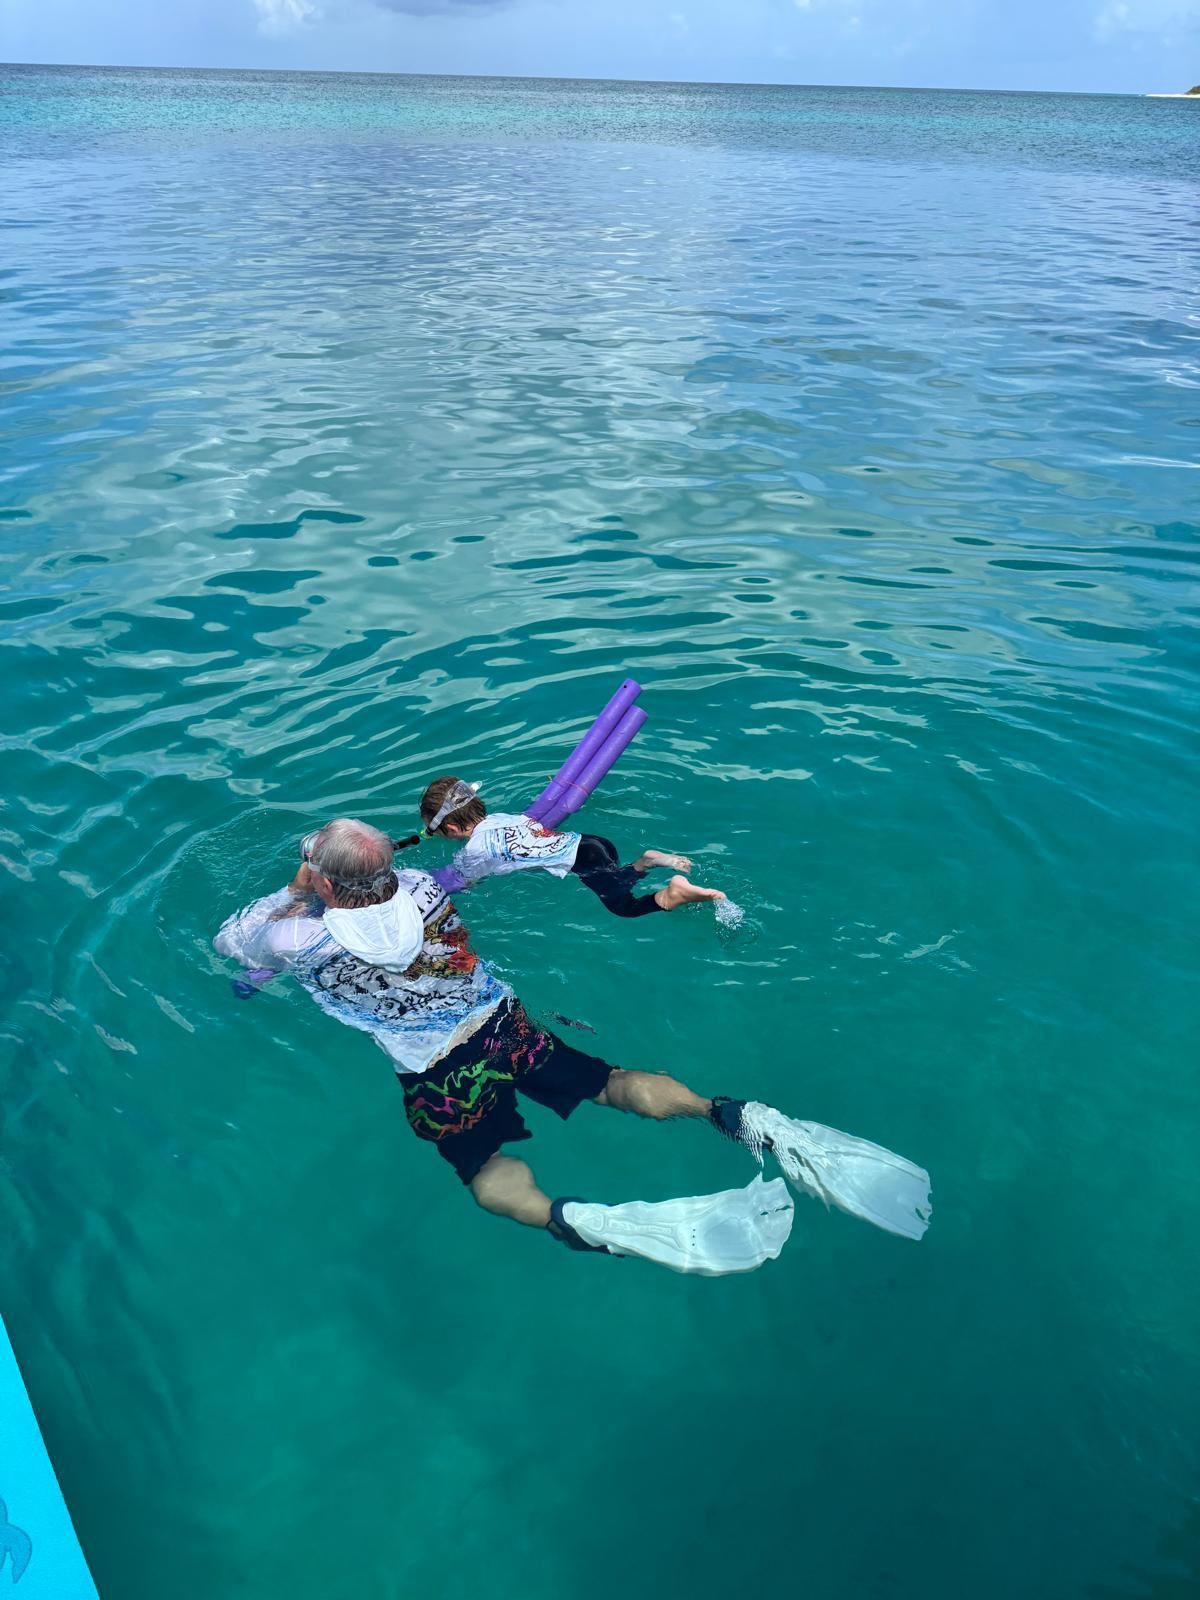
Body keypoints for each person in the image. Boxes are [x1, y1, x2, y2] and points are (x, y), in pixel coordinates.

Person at [213, 819, 932, 1253]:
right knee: (606, 1081)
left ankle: (569, 1218)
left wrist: (299, 887)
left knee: (482, 1166)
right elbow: (395, 888)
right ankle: (729, 1114)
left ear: (332, 885)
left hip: (434, 1071)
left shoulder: (298, 942)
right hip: (503, 1024)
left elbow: (231, 944)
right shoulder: (426, 891)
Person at [418, 775, 725, 917]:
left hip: (583, 860)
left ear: (453, 829)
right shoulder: (499, 818)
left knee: (624, 908)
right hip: (591, 843)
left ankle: (674, 894)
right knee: (616, 879)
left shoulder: (475, 851)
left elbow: (463, 879)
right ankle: (645, 862)